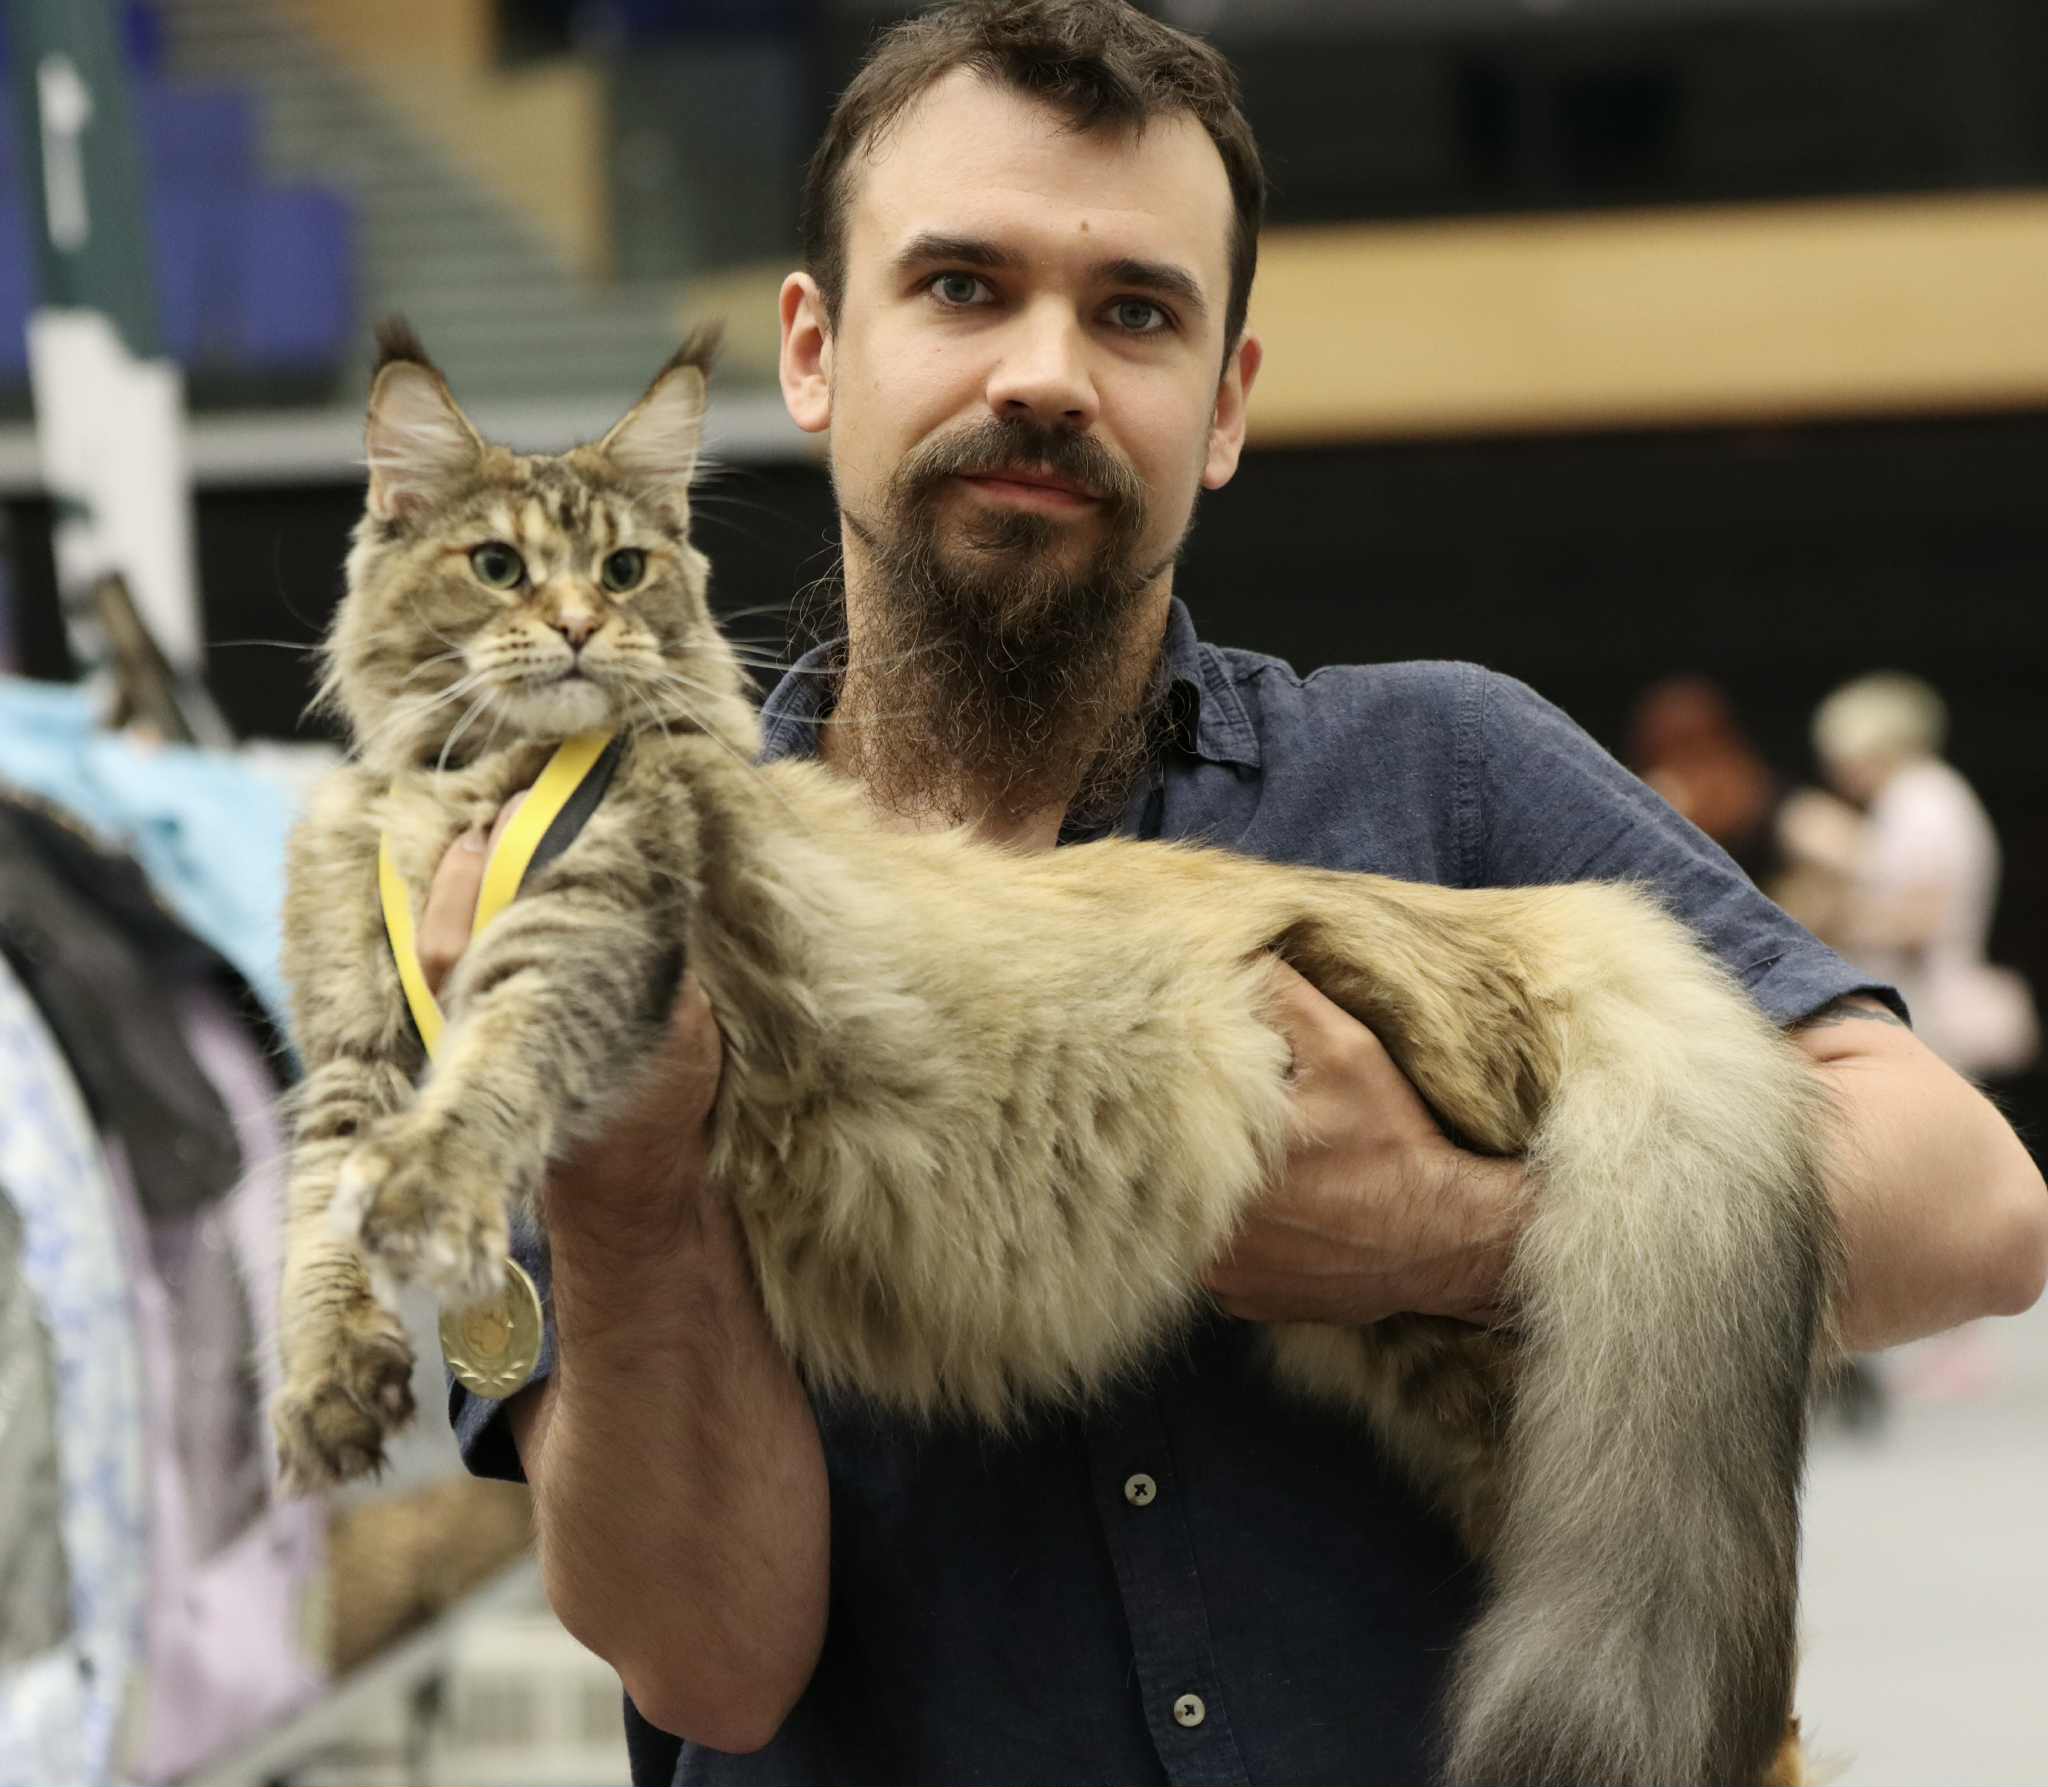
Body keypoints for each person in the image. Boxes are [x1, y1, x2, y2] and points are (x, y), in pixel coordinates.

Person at [423, 5, 2048, 1782]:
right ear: (814, 352)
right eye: (962, 286)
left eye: (1136, 311)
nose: (1046, 374)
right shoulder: (605, 903)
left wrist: (1448, 1228)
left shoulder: (1442, 770)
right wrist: (625, 1167)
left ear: (1226, 405)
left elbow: (1979, 1208)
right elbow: (712, 1669)